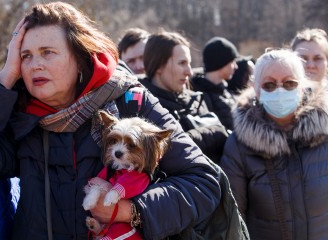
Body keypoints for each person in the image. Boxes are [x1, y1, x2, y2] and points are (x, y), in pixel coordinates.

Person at [0, 2, 221, 239]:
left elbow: (203, 182)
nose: (35, 64)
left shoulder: (130, 103)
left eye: (48, 52)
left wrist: (131, 211)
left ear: (81, 57)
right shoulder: (21, 117)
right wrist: (5, 78)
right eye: (25, 56)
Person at [220, 49, 328, 240]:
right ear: (257, 90)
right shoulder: (239, 145)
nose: (280, 90)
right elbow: (233, 218)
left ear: (301, 87)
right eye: (269, 84)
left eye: (289, 83)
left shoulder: (324, 134)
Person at [140, 31, 229, 164]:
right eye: (182, 63)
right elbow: (164, 155)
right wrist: (215, 133)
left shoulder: (197, 100)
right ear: (158, 65)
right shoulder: (144, 108)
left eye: (189, 63)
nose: (189, 71)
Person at [190, 36, 239, 130]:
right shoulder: (200, 96)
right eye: (232, 61)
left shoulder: (225, 90)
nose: (236, 66)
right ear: (221, 62)